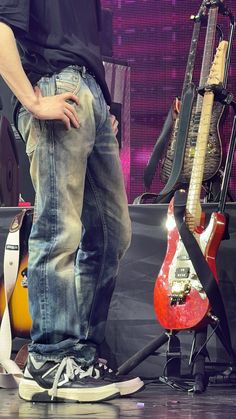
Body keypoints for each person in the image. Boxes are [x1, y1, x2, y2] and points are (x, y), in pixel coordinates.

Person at [0, 0, 144, 403]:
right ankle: (50, 359)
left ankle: (82, 354)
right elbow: (2, 29)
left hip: (90, 94)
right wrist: (30, 100)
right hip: (53, 85)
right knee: (59, 230)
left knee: (112, 234)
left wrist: (102, 106)